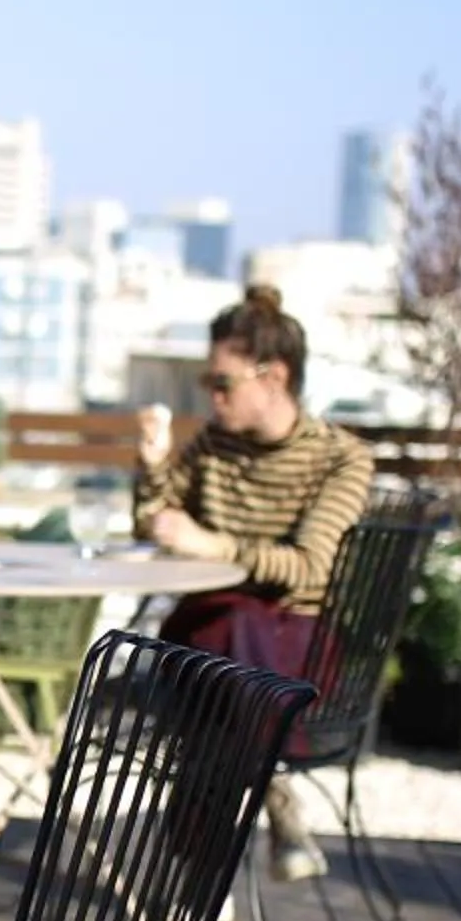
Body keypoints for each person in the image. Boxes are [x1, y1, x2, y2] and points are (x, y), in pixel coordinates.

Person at [133, 283, 374, 882]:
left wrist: (216, 547)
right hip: (221, 650)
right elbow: (157, 524)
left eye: (223, 383)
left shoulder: (340, 458)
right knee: (219, 640)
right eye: (207, 385)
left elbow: (310, 568)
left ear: (275, 377)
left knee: (220, 650)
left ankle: (198, 873)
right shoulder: (214, 445)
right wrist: (153, 464)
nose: (212, 399)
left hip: (297, 645)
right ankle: (276, 796)